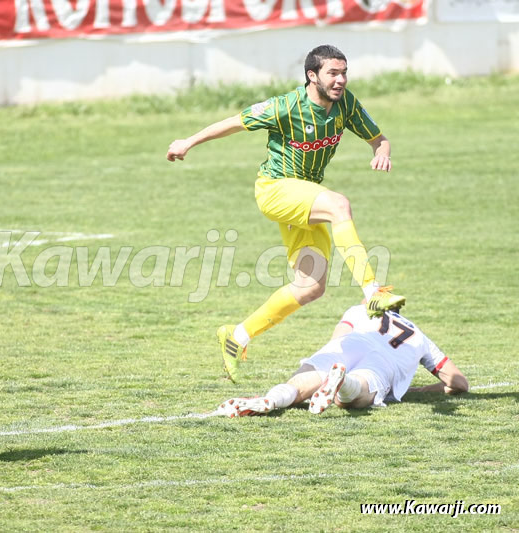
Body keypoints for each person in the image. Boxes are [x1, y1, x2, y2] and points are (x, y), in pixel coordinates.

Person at [166, 45, 405, 383]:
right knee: (339, 205)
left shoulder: (346, 104)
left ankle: (237, 336)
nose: (341, 80)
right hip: (275, 189)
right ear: (312, 76)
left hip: (304, 196)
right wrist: (187, 142)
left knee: (310, 286)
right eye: (333, 74)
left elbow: (379, 139)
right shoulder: (285, 106)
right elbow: (234, 123)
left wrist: (382, 152)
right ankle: (373, 292)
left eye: (344, 73)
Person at [216, 303, 469, 417]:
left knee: (305, 381)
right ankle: (343, 382)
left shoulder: (359, 310)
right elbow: (458, 383)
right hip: (385, 361)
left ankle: (272, 399)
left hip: (352, 344)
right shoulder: (420, 337)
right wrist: (424, 389)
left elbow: (337, 340)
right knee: (353, 392)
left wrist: (320, 368)